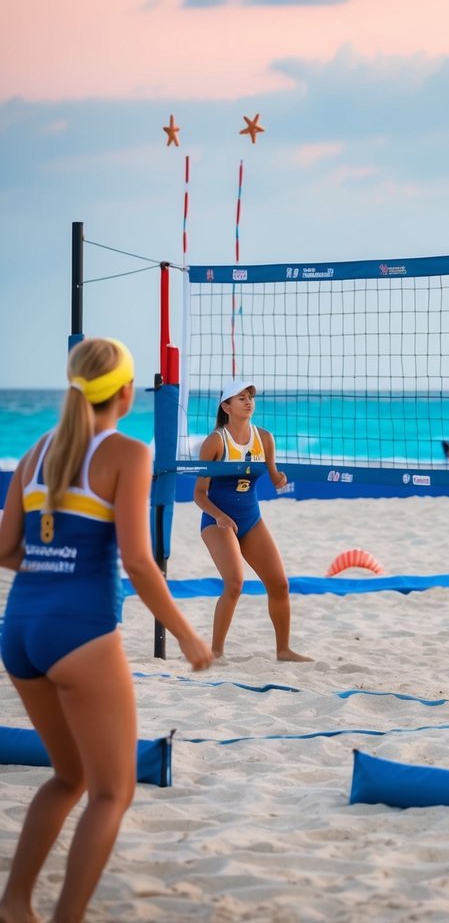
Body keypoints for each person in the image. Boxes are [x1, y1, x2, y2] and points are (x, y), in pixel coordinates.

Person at [0, 337, 212, 923]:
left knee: (67, 777)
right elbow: (139, 563)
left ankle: (15, 904)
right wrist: (188, 636)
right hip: (79, 631)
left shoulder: (37, 451)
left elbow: (4, 548)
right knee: (112, 793)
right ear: (124, 392)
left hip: (19, 630)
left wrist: (53, 563)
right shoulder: (127, 453)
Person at [194, 380, 311, 663]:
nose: (248, 402)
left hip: (250, 519)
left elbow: (274, 478)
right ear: (226, 407)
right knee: (234, 583)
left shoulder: (265, 438)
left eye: (250, 397)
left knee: (279, 584)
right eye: (241, 398)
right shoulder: (215, 442)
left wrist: (280, 479)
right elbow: (199, 494)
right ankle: (216, 652)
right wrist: (220, 516)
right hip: (217, 519)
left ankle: (283, 650)